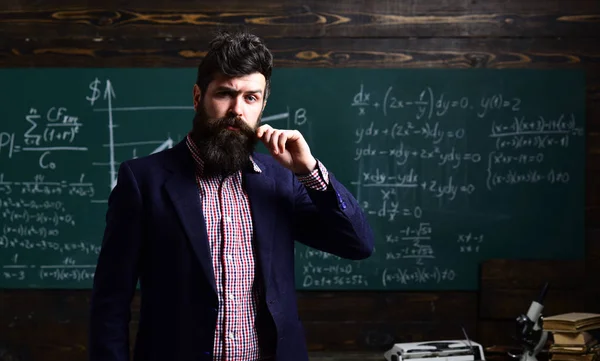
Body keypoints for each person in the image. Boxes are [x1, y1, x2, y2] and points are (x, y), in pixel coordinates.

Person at [89, 29, 374, 361]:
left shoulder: (282, 180)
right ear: (199, 97)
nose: (237, 110)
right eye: (225, 93)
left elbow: (358, 244)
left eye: (251, 97)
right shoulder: (143, 181)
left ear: (263, 105)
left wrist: (308, 169)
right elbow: (111, 301)